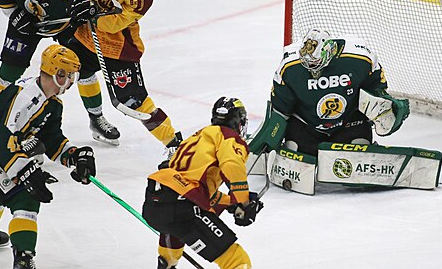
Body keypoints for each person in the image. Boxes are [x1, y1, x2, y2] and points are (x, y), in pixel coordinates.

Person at [54, 0, 182, 151]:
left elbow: (117, 22)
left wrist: (92, 14)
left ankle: (174, 144)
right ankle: (94, 120)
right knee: (66, 70)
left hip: (118, 48)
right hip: (86, 36)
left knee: (135, 101)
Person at [0, 0, 120, 146]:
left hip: (62, 24)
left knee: (83, 67)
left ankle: (96, 119)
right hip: (27, 24)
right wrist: (16, 16)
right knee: (9, 70)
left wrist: (79, 9)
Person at [0, 44, 97, 269]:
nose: (72, 80)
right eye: (69, 74)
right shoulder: (24, 95)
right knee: (24, 197)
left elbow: (52, 139)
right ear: (58, 73)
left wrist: (75, 157)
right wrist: (25, 173)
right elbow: (7, 139)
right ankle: (24, 260)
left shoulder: (52, 104)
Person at [248, 28, 410, 157]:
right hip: (306, 126)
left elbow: (376, 89)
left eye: (315, 63)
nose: (311, 68)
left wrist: (385, 105)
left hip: (349, 123)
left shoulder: (359, 59)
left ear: (330, 52)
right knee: (294, 151)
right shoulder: (289, 68)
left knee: (358, 149)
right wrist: (270, 134)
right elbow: (280, 110)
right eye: (307, 64)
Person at [142, 97, 264, 269]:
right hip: (182, 204)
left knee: (175, 231)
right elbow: (231, 165)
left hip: (156, 201)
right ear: (239, 122)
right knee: (237, 261)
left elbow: (198, 189)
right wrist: (243, 202)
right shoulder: (229, 137)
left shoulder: (196, 137)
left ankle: (167, 263)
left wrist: (231, 202)